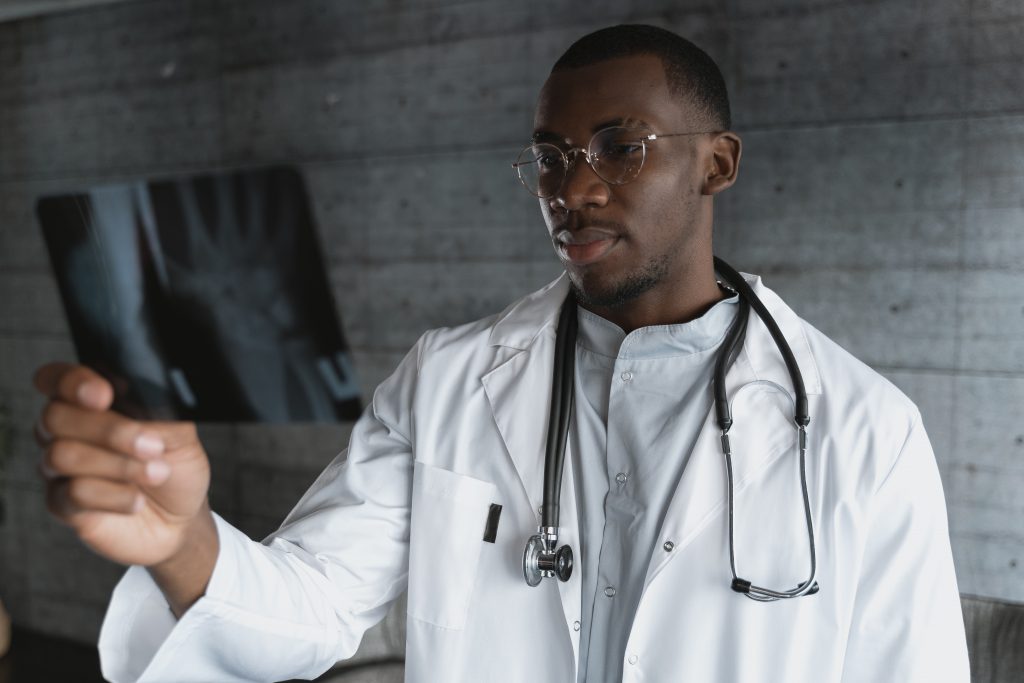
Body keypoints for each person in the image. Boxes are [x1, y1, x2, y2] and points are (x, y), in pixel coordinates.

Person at [33, 24, 969, 683]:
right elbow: (314, 603)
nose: (574, 190)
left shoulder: (866, 430)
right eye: (552, 157)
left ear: (717, 163)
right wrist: (183, 541)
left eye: (621, 147)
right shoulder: (448, 382)